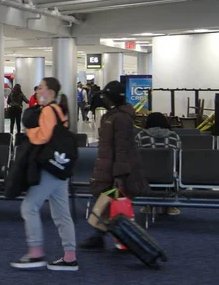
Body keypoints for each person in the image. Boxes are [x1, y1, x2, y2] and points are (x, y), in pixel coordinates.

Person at [11, 77, 78, 271]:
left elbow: (44, 136)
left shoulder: (48, 110)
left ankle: (35, 253)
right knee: (61, 213)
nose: (38, 91)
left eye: (41, 88)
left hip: (49, 167)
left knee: (29, 207)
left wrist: (29, 132)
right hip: (60, 166)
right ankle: (70, 256)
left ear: (50, 91)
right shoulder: (59, 110)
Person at [79, 80, 149, 251]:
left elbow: (122, 148)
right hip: (109, 165)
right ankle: (101, 236)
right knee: (106, 201)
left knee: (113, 203)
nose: (103, 98)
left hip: (116, 168)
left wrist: (119, 175)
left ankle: (124, 239)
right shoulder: (113, 115)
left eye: (106, 96)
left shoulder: (121, 118)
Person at [135, 112, 181, 216]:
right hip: (168, 175)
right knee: (174, 169)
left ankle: (148, 205)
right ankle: (170, 206)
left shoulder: (140, 136)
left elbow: (135, 157)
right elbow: (179, 158)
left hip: (147, 176)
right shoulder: (174, 136)